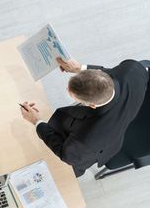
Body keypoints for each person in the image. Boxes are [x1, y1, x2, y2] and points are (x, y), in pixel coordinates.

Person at [20, 58, 149, 177]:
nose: (66, 89)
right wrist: (79, 68)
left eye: (70, 93)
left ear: (91, 105)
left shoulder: (87, 141)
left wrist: (36, 121)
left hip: (98, 148)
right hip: (127, 114)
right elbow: (110, 72)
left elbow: (66, 155)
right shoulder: (133, 69)